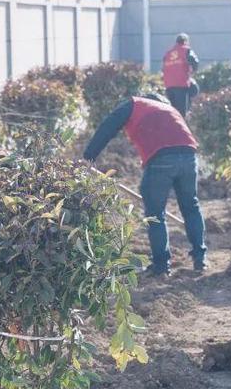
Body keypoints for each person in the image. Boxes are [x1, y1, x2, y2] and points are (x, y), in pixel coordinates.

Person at [83, 93, 207, 277]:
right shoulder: (170, 109)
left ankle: (161, 266)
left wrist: (88, 157)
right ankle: (200, 259)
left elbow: (108, 127)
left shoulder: (134, 104)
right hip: (189, 157)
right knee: (191, 206)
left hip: (161, 160)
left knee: (155, 214)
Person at [162, 33, 200, 118]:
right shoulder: (186, 50)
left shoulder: (168, 54)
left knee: (173, 112)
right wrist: (193, 71)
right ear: (186, 41)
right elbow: (195, 62)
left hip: (168, 86)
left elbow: (163, 68)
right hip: (181, 85)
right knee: (181, 113)